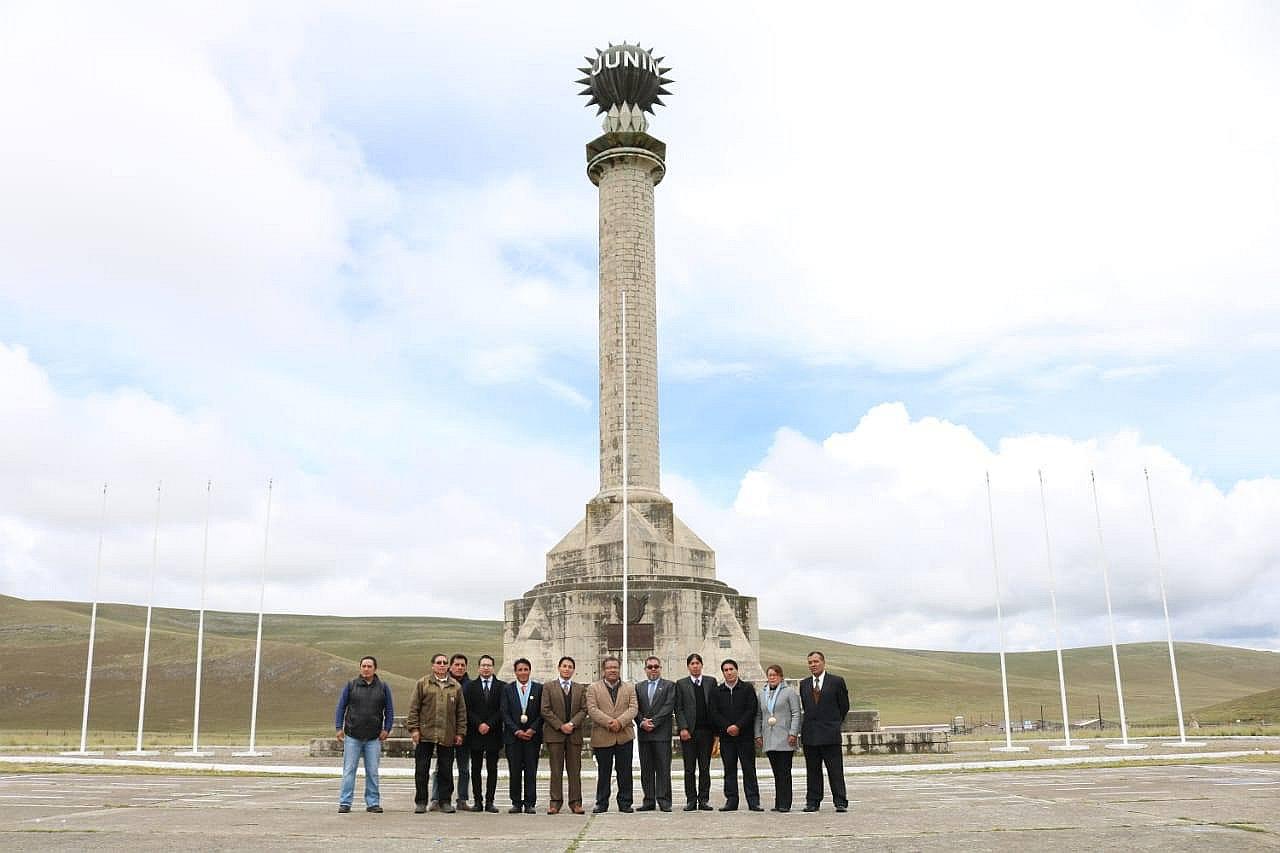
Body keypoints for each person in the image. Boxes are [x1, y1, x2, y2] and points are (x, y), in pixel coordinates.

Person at [407, 653, 467, 814]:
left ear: (448, 666)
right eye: (439, 662)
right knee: (422, 769)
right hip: (425, 733)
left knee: (446, 770)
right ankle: (421, 802)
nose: (442, 665)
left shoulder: (456, 686)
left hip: (447, 734)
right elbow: (414, 708)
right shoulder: (423, 683)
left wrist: (460, 733)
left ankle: (445, 801)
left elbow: (461, 712)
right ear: (433, 665)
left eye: (444, 663)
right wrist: (414, 729)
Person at [334, 655, 394, 814]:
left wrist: (387, 729)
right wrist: (338, 727)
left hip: (373, 737)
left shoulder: (383, 687)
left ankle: (373, 803)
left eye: (369, 666)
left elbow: (389, 710)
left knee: (373, 771)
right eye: (363, 666)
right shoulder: (351, 685)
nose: (366, 669)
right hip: (353, 735)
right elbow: (341, 707)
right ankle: (345, 802)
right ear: (360, 668)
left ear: (375, 669)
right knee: (349, 770)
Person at [585, 655, 637, 813]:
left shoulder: (629, 687)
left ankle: (625, 803)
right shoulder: (593, 688)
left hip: (624, 735)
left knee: (625, 771)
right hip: (603, 736)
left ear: (619, 669)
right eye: (609, 668)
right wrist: (610, 722)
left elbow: (633, 708)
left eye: (615, 667)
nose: (612, 670)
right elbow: (592, 709)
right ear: (603, 670)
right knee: (603, 772)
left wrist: (619, 722)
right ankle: (601, 803)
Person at [800, 650, 850, 812]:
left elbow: (844, 706)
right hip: (810, 735)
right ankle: (813, 801)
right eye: (810, 663)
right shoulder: (804, 684)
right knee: (813, 770)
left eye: (815, 662)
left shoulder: (836, 682)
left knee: (835, 770)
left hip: (830, 734)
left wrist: (834, 723)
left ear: (823, 662)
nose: (813, 665)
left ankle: (840, 801)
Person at [710, 658, 762, 811]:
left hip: (744, 736)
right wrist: (727, 727)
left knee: (749, 769)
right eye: (726, 670)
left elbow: (751, 709)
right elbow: (714, 712)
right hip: (726, 738)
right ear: (723, 673)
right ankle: (731, 801)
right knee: (729, 769)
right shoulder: (717, 691)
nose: (729, 672)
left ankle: (753, 801)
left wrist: (738, 725)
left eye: (731, 669)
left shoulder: (747, 689)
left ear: (736, 670)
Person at [541, 655, 588, 815]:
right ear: (559, 668)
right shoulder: (548, 687)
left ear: (573, 670)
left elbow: (584, 709)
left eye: (570, 666)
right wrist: (561, 726)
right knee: (556, 770)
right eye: (564, 666)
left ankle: (576, 803)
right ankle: (555, 802)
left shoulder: (580, 688)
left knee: (575, 770)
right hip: (555, 735)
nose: (567, 669)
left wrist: (572, 724)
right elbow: (545, 710)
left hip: (574, 735)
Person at [673, 652, 717, 811]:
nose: (695, 666)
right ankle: (691, 800)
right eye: (692, 664)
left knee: (705, 768)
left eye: (698, 663)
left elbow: (714, 705)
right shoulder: (681, 684)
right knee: (689, 768)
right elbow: (679, 708)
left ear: (702, 665)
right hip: (689, 733)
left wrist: (716, 731)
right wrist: (683, 728)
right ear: (688, 667)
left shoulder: (711, 682)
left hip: (707, 732)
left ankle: (704, 799)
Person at [754, 664, 801, 812]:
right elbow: (759, 716)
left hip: (785, 738)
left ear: (781, 676)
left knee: (784, 772)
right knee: (776, 772)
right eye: (770, 675)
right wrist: (758, 734)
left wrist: (793, 732)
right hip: (769, 738)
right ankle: (778, 802)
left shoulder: (789, 693)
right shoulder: (762, 694)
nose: (772, 677)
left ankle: (785, 803)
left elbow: (796, 713)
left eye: (775, 675)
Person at [499, 658, 543, 814]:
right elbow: (504, 712)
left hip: (532, 737)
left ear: (530, 671)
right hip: (513, 737)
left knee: (531, 770)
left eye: (526, 669)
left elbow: (542, 713)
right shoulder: (507, 689)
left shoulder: (539, 688)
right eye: (520, 669)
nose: (523, 672)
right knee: (515, 771)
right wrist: (516, 730)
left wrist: (532, 729)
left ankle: (530, 803)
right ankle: (516, 803)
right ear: (515, 672)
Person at [429, 654, 471, 811]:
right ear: (450, 666)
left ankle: (462, 799)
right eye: (456, 665)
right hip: (444, 733)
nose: (459, 668)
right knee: (441, 767)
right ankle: (435, 798)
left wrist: (462, 732)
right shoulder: (442, 684)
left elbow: (467, 711)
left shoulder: (471, 685)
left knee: (464, 768)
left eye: (462, 665)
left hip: (463, 734)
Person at [462, 654, 503, 813]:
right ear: (478, 668)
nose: (486, 668)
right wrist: (479, 724)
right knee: (476, 768)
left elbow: (502, 709)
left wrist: (489, 724)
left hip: (494, 733)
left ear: (493, 668)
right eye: (483, 665)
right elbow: (467, 709)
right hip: (475, 733)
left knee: (492, 769)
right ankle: (477, 801)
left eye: (489, 665)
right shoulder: (470, 687)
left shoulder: (501, 687)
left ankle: (490, 801)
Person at [634, 655, 675, 812]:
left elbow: (668, 706)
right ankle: (648, 800)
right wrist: (642, 722)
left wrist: (654, 722)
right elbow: (635, 707)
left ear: (660, 668)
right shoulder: (639, 687)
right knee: (646, 769)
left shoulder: (669, 686)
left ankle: (664, 801)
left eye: (656, 666)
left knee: (663, 768)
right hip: (644, 734)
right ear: (645, 669)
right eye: (650, 667)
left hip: (662, 734)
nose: (653, 669)